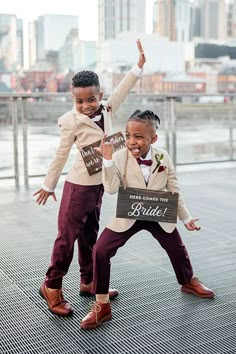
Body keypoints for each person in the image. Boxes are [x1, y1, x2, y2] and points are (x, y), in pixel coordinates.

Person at [33, 40, 146, 317]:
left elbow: (123, 89)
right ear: (73, 99)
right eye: (79, 100)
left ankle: (88, 281)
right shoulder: (70, 121)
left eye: (91, 99)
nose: (85, 105)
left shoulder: (107, 110)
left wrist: (138, 66)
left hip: (98, 185)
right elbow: (61, 154)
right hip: (78, 187)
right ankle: (51, 285)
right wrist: (49, 185)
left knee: (89, 235)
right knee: (66, 238)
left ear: (100, 95)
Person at [80, 109, 215, 330]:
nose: (132, 141)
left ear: (153, 139)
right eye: (128, 135)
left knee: (177, 248)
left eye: (139, 137)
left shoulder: (163, 156)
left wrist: (186, 218)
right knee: (100, 250)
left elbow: (174, 188)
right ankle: (102, 304)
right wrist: (106, 160)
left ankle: (188, 282)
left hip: (158, 210)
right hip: (129, 211)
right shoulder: (118, 155)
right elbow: (111, 189)